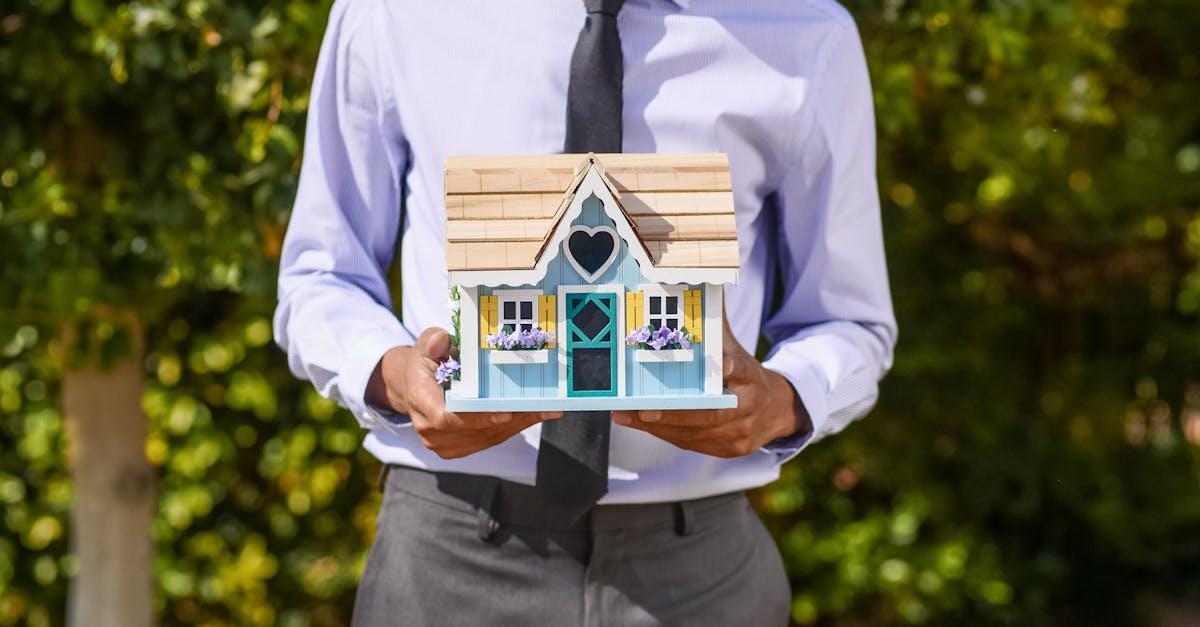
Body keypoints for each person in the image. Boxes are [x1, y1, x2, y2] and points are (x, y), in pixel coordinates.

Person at [274, 0, 896, 624]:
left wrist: (783, 401)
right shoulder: (394, 13)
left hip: (700, 571)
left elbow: (850, 319)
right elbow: (321, 275)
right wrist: (390, 375)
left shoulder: (805, 31)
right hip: (448, 554)